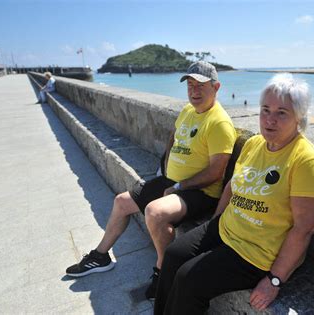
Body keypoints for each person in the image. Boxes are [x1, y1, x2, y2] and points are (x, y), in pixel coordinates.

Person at [154, 73, 314, 314]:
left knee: (189, 279)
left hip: (257, 251)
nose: (270, 120)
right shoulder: (254, 144)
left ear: (299, 117)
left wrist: (275, 280)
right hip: (227, 227)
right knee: (173, 255)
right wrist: (216, 221)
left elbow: (305, 229)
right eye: (265, 110)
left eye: (282, 113)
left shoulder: (306, 161)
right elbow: (232, 185)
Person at [65, 61, 237, 300]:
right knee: (121, 201)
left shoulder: (219, 123)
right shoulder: (188, 111)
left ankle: (162, 274)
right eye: (189, 85)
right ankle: (100, 255)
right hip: (171, 180)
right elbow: (173, 137)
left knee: (155, 213)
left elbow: (216, 172)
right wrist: (164, 166)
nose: (194, 91)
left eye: (200, 85)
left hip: (200, 192)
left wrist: (179, 186)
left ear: (216, 87)